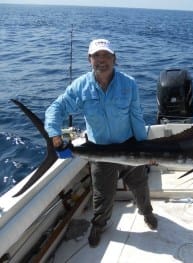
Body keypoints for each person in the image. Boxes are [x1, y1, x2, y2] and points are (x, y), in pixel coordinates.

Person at [45, 38, 157, 248]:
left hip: (129, 147)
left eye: (106, 55)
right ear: (89, 60)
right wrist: (54, 133)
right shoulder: (81, 86)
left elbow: (136, 117)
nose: (101, 60)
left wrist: (145, 149)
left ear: (115, 59)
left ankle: (147, 213)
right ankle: (99, 225)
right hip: (99, 151)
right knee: (102, 195)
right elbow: (56, 108)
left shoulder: (129, 83)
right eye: (97, 56)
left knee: (140, 187)